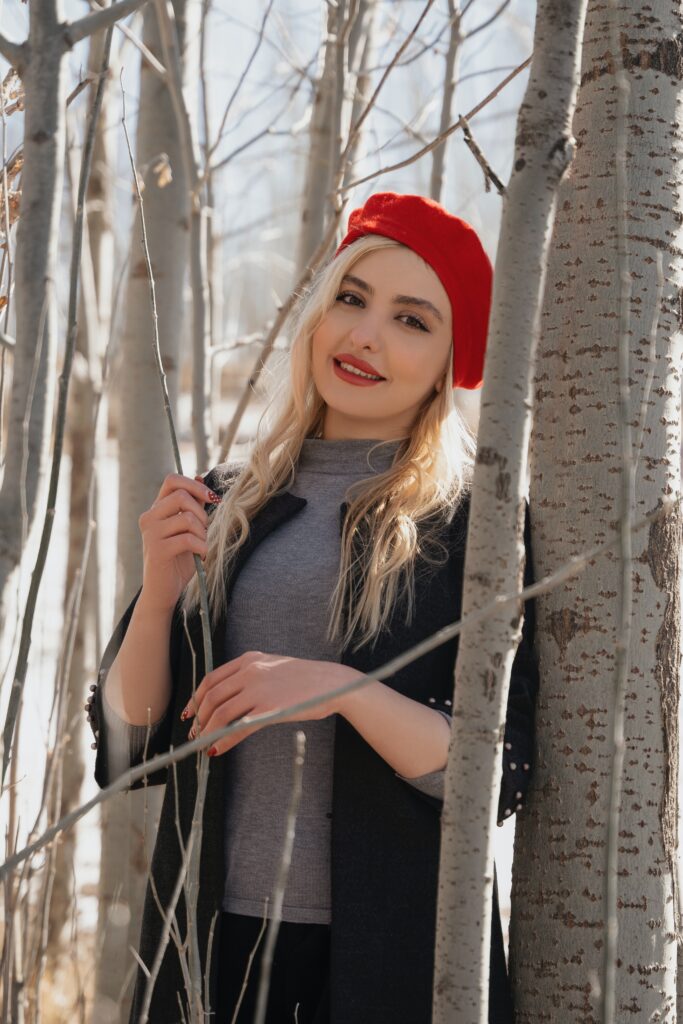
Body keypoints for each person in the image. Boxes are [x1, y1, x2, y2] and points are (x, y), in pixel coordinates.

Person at [87, 192, 539, 1024]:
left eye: (411, 320)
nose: (364, 335)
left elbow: (496, 772)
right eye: (352, 299)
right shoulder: (227, 499)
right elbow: (127, 744)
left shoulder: (474, 526)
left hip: (396, 956)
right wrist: (157, 597)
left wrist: (341, 690)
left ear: (451, 361)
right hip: (209, 944)